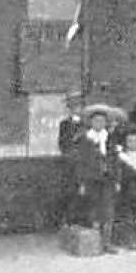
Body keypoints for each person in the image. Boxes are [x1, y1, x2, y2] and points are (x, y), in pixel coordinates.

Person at [75, 106, 118, 253]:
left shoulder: (110, 139)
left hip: (108, 179)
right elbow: (80, 162)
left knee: (108, 210)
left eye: (102, 121)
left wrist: (116, 179)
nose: (99, 124)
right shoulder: (85, 139)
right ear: (91, 123)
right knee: (93, 209)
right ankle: (95, 243)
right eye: (96, 121)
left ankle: (107, 242)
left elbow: (115, 160)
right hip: (91, 178)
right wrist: (81, 182)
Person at [56, 91, 85, 228]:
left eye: (78, 105)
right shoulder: (64, 124)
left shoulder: (87, 124)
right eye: (73, 105)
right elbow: (62, 144)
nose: (76, 108)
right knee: (71, 191)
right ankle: (69, 220)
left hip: (85, 162)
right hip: (71, 163)